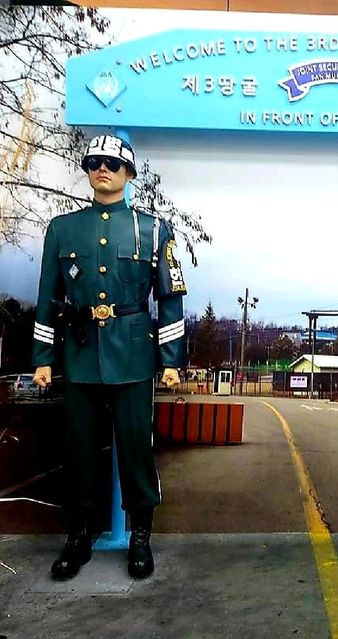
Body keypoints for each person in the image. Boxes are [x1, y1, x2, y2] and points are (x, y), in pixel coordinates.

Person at [32, 134, 187, 580]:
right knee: (79, 450)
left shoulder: (155, 229)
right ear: (86, 170)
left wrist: (171, 359)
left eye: (113, 164)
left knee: (137, 448)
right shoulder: (63, 229)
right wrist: (43, 356)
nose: (103, 169)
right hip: (79, 353)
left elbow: (170, 298)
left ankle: (140, 537)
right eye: (94, 162)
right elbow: (48, 296)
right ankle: (78, 537)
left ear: (129, 174)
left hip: (134, 355)